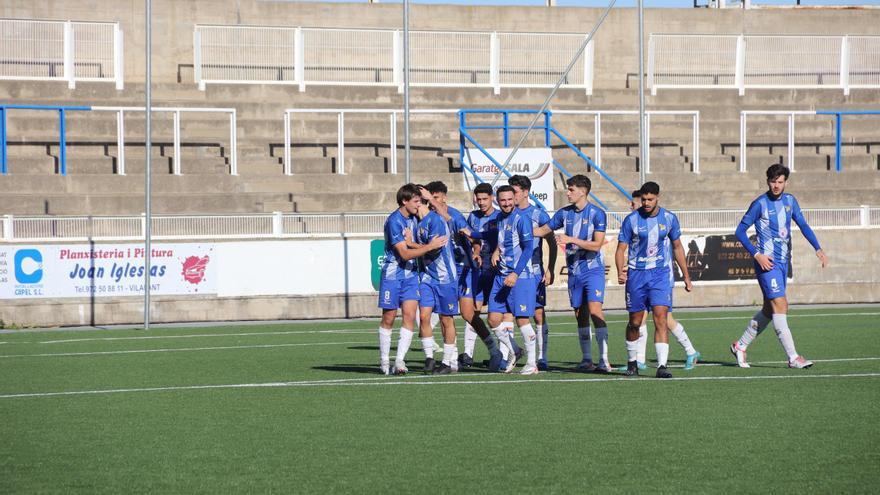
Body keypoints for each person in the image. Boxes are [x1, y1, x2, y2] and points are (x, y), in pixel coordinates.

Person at [730, 164, 827, 369]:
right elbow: (739, 231)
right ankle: (793, 357)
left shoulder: (790, 201)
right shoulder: (759, 204)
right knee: (781, 305)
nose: (776, 185)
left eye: (780, 181)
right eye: (773, 181)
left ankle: (740, 345)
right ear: (767, 181)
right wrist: (757, 255)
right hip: (767, 264)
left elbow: (803, 224)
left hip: (783, 263)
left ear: (785, 182)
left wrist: (817, 248)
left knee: (768, 309)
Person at [615, 182, 693, 378]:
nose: (647, 203)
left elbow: (677, 247)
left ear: (658, 197)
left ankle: (661, 366)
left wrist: (686, 275)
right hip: (636, 274)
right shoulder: (631, 220)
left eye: (650, 199)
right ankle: (632, 361)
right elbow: (621, 249)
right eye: (643, 200)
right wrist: (620, 271)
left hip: (659, 274)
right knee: (635, 321)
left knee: (661, 317)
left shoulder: (669, 218)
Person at [423, 181, 503, 371]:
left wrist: (475, 251)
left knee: (468, 314)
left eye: (435, 198)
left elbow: (472, 238)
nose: (431, 202)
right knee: (445, 315)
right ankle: (450, 360)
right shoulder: (428, 218)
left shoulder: (454, 215)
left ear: (444, 197)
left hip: (464, 270)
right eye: (430, 198)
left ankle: (494, 350)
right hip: (444, 273)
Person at [534, 174, 611, 372]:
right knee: (580, 313)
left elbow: (596, 245)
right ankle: (587, 359)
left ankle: (604, 360)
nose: (567, 193)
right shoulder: (564, 213)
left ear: (583, 191)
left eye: (571, 190)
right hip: (574, 271)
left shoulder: (597, 213)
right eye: (567, 189)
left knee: (595, 310)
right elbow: (543, 230)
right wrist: (520, 228)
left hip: (592, 269)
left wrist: (571, 239)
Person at [378, 184, 448, 375]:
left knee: (409, 316)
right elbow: (405, 254)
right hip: (393, 276)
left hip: (410, 276)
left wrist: (420, 244)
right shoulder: (395, 221)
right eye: (416, 201)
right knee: (389, 317)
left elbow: (413, 246)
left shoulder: (414, 219)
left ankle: (399, 361)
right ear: (404, 201)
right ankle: (384, 361)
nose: (419, 205)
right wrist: (429, 246)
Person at [487, 185, 539, 375]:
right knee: (493, 319)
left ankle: (532, 363)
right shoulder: (500, 218)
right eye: (503, 200)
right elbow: (501, 241)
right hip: (501, 276)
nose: (507, 203)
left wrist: (515, 273)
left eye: (510, 199)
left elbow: (527, 248)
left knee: (522, 319)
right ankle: (515, 350)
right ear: (497, 200)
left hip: (520, 276)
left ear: (514, 199)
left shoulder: (522, 219)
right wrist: (495, 250)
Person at [507, 175, 557, 371]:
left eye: (515, 192)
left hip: (534, 272)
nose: (512, 196)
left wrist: (550, 268)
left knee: (537, 313)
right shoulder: (507, 214)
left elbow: (552, 242)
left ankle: (541, 356)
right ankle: (509, 354)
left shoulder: (538, 214)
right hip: (511, 272)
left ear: (526, 193)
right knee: (507, 313)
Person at [413, 191, 462, 375]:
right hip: (427, 278)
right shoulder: (418, 224)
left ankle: (448, 361)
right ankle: (429, 359)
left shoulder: (435, 220)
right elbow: (427, 248)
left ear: (420, 201)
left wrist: (411, 245)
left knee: (446, 319)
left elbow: (434, 249)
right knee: (424, 316)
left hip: (445, 278)